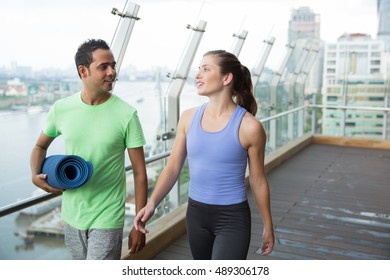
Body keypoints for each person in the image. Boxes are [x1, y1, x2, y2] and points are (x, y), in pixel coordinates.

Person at [134, 50, 274, 260]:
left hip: (232, 218)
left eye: (206, 69)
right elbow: (172, 167)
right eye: (199, 69)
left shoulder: (250, 127)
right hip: (195, 215)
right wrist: (152, 203)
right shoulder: (188, 118)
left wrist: (268, 225)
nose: (197, 75)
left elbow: (258, 180)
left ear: (227, 78)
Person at [30, 39, 148, 260]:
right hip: (72, 215)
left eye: (113, 65)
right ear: (83, 71)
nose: (112, 72)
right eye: (103, 67)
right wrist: (35, 175)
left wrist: (138, 224)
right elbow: (39, 146)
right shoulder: (62, 109)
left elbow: (141, 174)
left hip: (107, 215)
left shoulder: (127, 114)